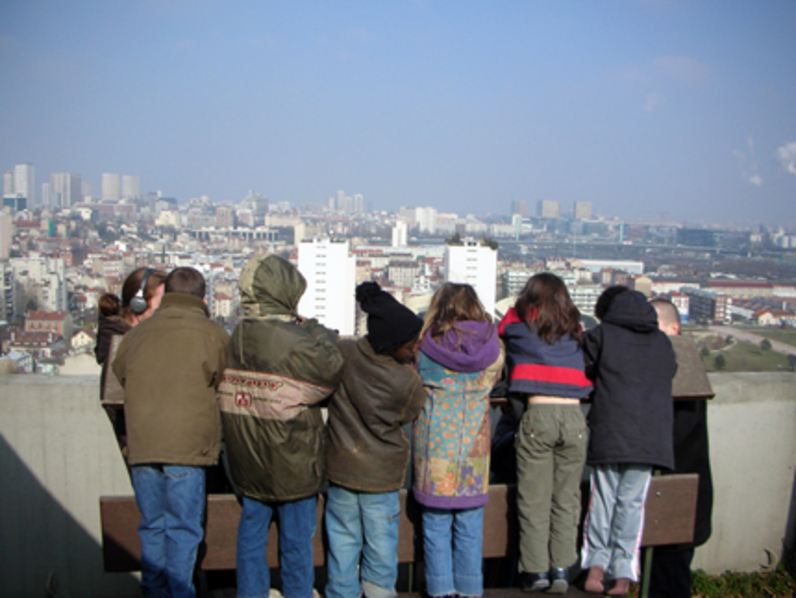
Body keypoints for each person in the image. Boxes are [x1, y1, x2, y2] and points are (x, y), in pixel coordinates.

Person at [217, 254, 344, 598]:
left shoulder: (238, 333)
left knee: (251, 541)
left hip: (247, 462)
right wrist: (317, 329)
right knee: (297, 545)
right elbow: (331, 367)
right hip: (293, 461)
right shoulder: (294, 338)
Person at [112, 267, 230, 598]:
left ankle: (154, 592)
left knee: (153, 526)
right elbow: (226, 378)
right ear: (202, 298)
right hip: (187, 446)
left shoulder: (138, 334)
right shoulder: (213, 334)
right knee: (183, 528)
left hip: (144, 444)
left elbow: (120, 372)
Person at [324, 282, 426, 598]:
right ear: (392, 344)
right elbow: (409, 414)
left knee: (342, 540)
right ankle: (379, 592)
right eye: (410, 346)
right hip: (381, 476)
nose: (414, 350)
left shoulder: (345, 353)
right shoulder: (407, 381)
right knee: (381, 543)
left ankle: (342, 591)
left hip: (341, 467)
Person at [498, 273, 593, 594]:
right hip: (575, 417)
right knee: (567, 500)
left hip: (538, 415)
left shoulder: (520, 330)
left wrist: (520, 307)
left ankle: (536, 571)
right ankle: (562, 569)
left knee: (534, 500)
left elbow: (504, 324)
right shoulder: (574, 332)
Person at [580, 288, 676, 596]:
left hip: (610, 431)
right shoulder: (661, 340)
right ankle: (623, 576)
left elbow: (586, 368)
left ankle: (595, 569)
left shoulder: (602, 334)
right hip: (650, 437)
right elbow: (669, 371)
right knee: (632, 504)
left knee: (603, 500)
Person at [413, 283, 504, 598]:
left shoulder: (425, 347)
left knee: (436, 525)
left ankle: (440, 589)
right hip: (474, 449)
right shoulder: (494, 350)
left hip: (434, 446)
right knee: (469, 526)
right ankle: (469, 589)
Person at [647, 298, 713, 598]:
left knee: (670, 579)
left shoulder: (679, 366)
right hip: (677, 499)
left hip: (677, 501)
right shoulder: (678, 366)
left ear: (673, 328)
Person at [95, 267, 166, 452]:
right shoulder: (120, 344)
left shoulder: (128, 337)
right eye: (163, 300)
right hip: (143, 446)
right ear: (139, 303)